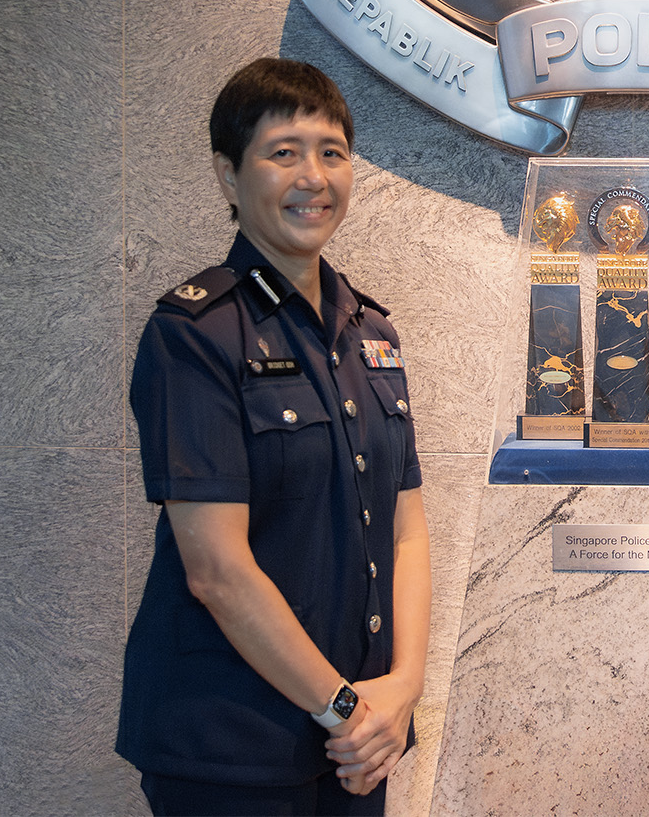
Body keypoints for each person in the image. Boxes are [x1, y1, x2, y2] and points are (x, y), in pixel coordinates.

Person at [117, 58, 430, 817]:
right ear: (229, 175)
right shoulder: (194, 336)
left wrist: (402, 689)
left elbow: (407, 526)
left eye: (332, 151)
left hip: (356, 743)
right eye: (283, 152)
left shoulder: (372, 332)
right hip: (232, 746)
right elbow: (216, 569)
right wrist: (347, 709)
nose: (313, 176)